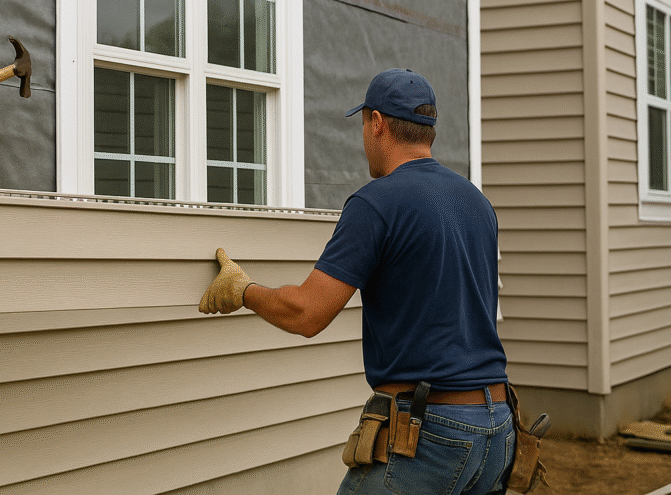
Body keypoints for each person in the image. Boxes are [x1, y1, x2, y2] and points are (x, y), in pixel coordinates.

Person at [198, 68, 515, 494]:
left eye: (364, 123)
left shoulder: (377, 202)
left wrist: (242, 291)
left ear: (378, 123)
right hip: (498, 429)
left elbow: (307, 312)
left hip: (433, 434)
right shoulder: (478, 204)